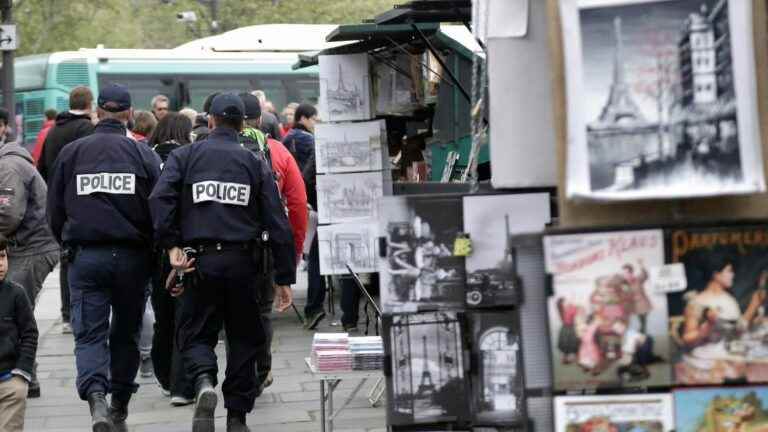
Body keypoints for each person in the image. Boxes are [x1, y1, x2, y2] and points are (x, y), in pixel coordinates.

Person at [149, 93, 296, 432]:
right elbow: (277, 220)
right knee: (245, 338)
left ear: (210, 120)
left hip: (198, 263)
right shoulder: (254, 161)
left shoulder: (185, 157)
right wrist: (284, 277)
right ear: (243, 124)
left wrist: (171, 245)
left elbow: (160, 199)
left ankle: (202, 381)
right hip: (243, 263)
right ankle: (237, 417)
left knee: (194, 331)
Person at [47, 84, 161, 432]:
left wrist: (67, 244)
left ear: (98, 111)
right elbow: (158, 208)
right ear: (128, 114)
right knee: (126, 334)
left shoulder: (72, 153)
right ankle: (119, 405)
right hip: (132, 258)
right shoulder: (143, 155)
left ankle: (96, 398)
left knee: (89, 335)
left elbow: (54, 210)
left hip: (87, 257)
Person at [239, 92, 307, 394]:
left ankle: (236, 373)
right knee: (262, 311)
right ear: (260, 120)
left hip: (219, 247)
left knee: (231, 315)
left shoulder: (205, 151)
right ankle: (261, 371)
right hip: (264, 247)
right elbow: (297, 204)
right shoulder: (277, 151)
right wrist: (291, 256)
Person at [0, 134, 59, 398]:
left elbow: (7, 215)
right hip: (31, 245)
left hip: (30, 248)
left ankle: (24, 377)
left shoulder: (8, 166)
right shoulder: (12, 162)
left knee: (14, 311)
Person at [146, 112, 195, 406]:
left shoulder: (147, 156)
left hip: (154, 248)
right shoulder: (188, 158)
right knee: (184, 316)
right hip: (181, 246)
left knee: (162, 315)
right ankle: (181, 384)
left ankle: (163, 375)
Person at [38, 86, 96, 335]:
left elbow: (41, 167)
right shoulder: (86, 129)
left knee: (66, 258)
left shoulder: (53, 131)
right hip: (82, 202)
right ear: (89, 103)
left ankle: (66, 315)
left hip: (58, 201)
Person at [283, 104, 325, 329]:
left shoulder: (286, 139)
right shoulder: (310, 140)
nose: (316, 123)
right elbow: (308, 174)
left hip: (296, 200)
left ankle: (312, 305)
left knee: (308, 250)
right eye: (315, 119)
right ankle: (314, 306)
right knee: (316, 253)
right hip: (312, 199)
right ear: (305, 118)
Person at [0, 234, 39, 432]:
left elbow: (30, 333)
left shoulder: (16, 293)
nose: (0, 264)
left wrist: (22, 374)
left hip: (9, 383)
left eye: (2, 256)